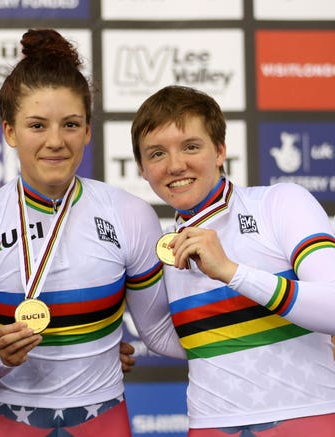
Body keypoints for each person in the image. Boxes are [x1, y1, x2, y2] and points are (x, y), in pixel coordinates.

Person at [0, 29, 185, 436]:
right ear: (9, 132)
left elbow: (160, 333)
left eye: (70, 124)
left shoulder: (131, 215)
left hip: (103, 420)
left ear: (88, 131)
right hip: (5, 421)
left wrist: (260, 339)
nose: (55, 141)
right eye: (37, 125)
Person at [131, 84, 335, 435]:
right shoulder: (160, 246)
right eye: (157, 154)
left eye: (191, 147)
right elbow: (159, 335)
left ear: (221, 150)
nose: (175, 165)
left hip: (307, 416)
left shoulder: (279, 202)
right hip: (210, 424)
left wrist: (232, 272)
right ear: (141, 168)